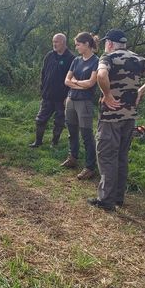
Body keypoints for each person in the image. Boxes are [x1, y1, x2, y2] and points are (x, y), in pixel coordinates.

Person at [90, 29, 145, 211]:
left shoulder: (107, 58)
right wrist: (140, 90)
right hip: (129, 116)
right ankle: (118, 198)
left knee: (107, 157)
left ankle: (106, 201)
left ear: (109, 43)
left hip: (110, 117)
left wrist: (107, 94)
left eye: (105, 43)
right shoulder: (138, 59)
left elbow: (101, 75)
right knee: (121, 157)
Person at [61, 32, 99, 180]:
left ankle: (90, 167)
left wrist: (75, 82)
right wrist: (79, 84)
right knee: (71, 131)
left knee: (86, 134)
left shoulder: (96, 61)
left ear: (87, 44)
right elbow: (66, 80)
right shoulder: (76, 60)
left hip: (85, 102)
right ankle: (73, 158)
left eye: (78, 44)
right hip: (71, 99)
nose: (76, 47)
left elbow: (91, 83)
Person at [29, 33, 74, 147]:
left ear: (63, 42)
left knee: (59, 122)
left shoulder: (71, 58)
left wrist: (68, 96)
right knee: (40, 119)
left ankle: (54, 143)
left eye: (57, 42)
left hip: (61, 98)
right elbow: (43, 73)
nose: (54, 44)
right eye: (53, 42)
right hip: (47, 95)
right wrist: (42, 88)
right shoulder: (49, 55)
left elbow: (72, 79)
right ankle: (38, 141)